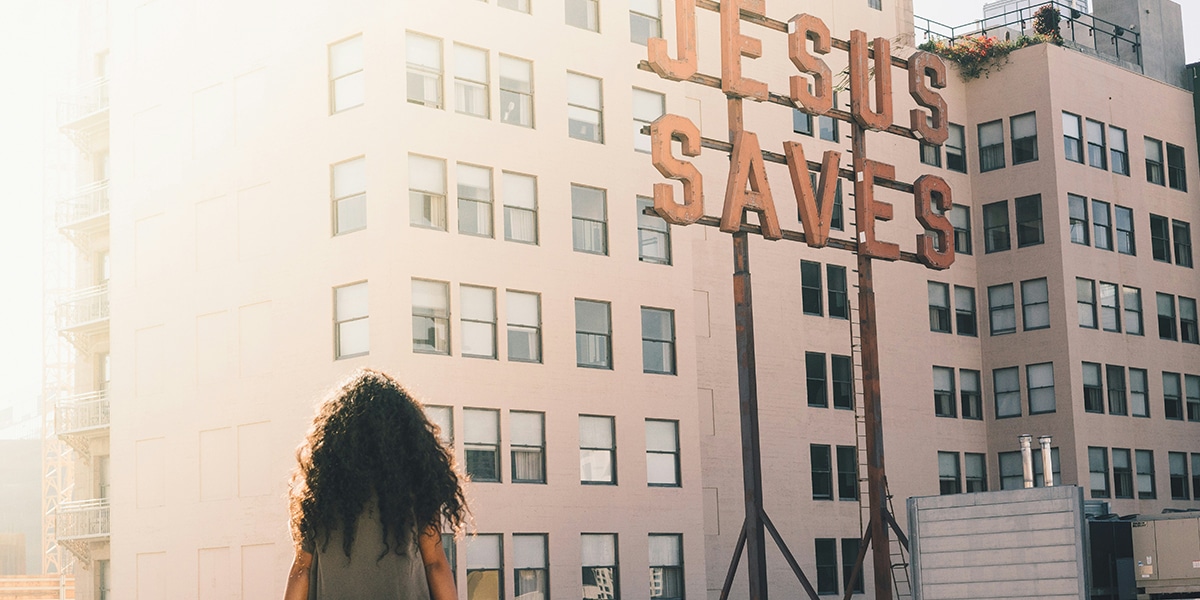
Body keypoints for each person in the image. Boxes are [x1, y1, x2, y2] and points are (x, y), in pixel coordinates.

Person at [283, 369, 467, 600]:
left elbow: (302, 570)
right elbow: (435, 564)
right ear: (403, 433)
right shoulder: (416, 486)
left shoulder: (317, 492)